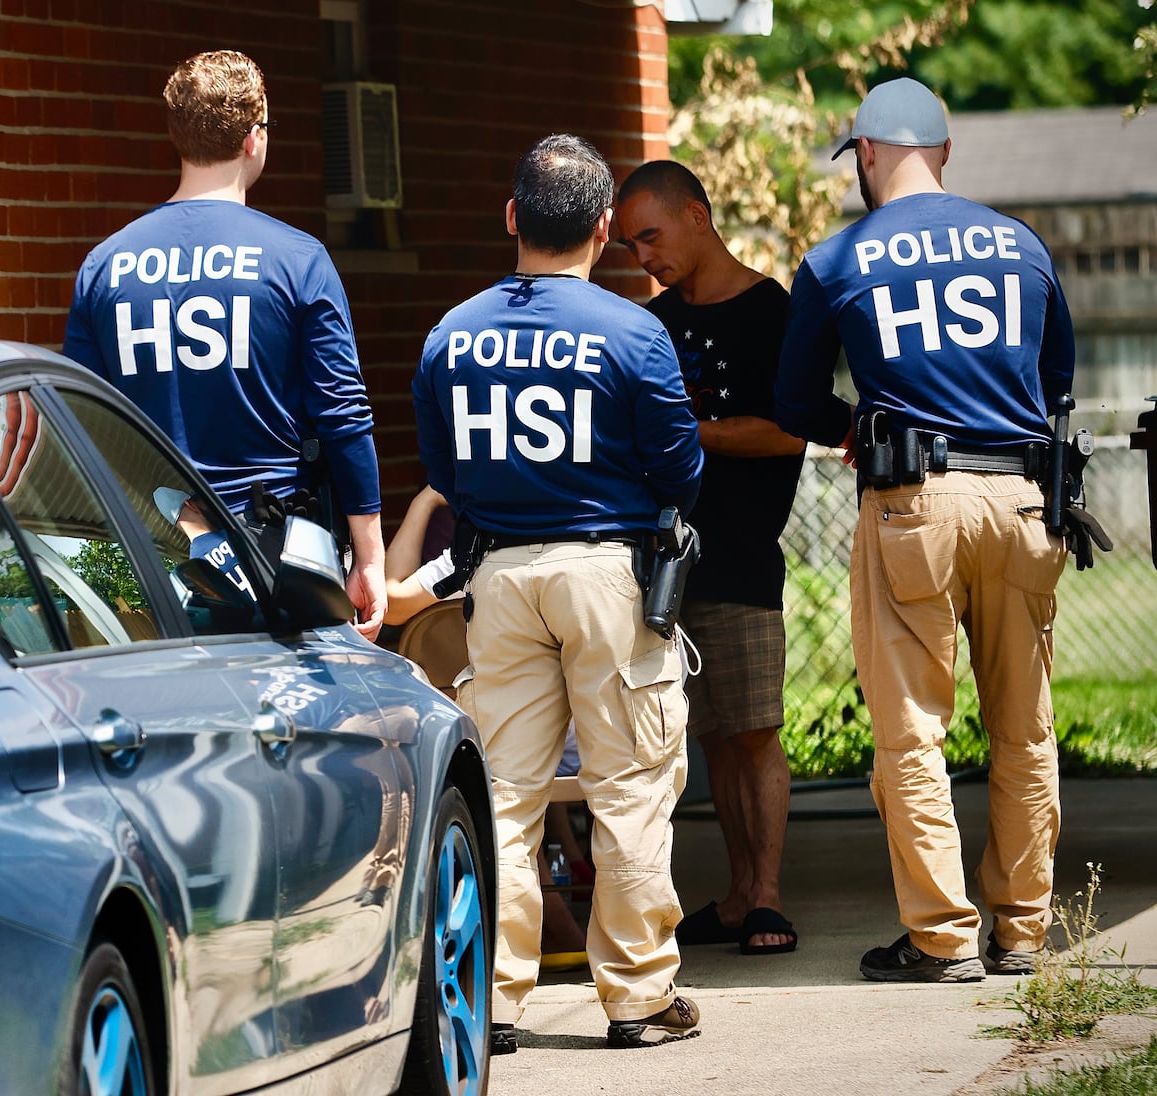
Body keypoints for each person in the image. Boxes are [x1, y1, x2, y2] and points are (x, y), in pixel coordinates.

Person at [774, 78, 1074, 982]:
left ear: (865, 153)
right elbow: (1055, 384)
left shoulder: (837, 260)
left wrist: (857, 434)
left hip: (913, 507)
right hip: (1025, 502)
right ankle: (1023, 930)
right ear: (943, 152)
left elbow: (792, 401)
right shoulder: (1021, 245)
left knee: (912, 731)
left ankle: (943, 938)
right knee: (1026, 730)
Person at [414, 133, 705, 1053]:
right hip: (608, 577)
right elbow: (681, 470)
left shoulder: (449, 335)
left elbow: (443, 471)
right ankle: (639, 999)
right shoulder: (635, 331)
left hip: (496, 577)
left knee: (503, 796)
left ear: (512, 218)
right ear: (607, 227)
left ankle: (492, 1001)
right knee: (629, 791)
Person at [62, 50, 386, 640]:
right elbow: (342, 414)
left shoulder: (105, 266)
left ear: (176, 136)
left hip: (146, 562)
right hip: (274, 561)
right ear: (253, 139)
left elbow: (77, 423)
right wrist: (370, 556)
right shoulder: (297, 259)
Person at [614, 161, 804, 957]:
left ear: (698, 215)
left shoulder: (771, 312)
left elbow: (793, 431)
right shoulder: (653, 324)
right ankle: (734, 895)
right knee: (714, 738)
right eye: (629, 244)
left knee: (756, 730)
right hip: (663, 563)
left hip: (741, 555)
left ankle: (766, 898)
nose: (642, 256)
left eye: (650, 236)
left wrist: (693, 435)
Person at [382, 484, 592, 964]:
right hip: (589, 749)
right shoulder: (593, 548)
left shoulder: (476, 555)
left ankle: (518, 949)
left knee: (506, 787)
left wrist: (425, 500)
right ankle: (608, 947)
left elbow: (389, 603)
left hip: (505, 754)